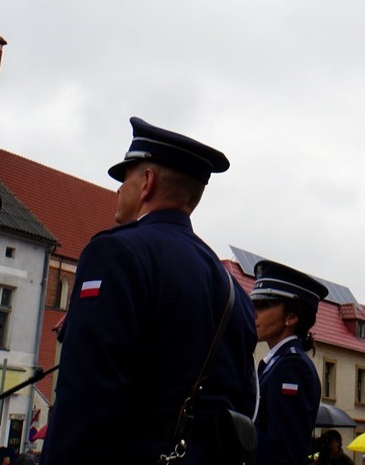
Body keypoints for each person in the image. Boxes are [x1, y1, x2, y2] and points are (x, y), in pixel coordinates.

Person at [42, 117, 258, 465]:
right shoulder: (234, 290)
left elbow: (85, 395)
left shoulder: (116, 254)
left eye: (124, 177)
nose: (116, 189)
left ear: (147, 182)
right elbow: (242, 402)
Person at [251, 259, 328, 465]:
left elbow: (285, 451)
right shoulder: (277, 362)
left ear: (291, 317)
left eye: (263, 305)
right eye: (253, 305)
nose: (254, 313)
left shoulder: (291, 367)